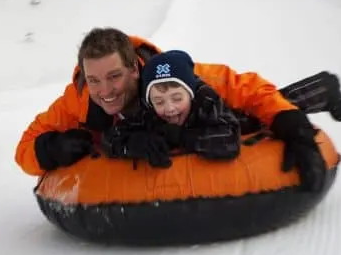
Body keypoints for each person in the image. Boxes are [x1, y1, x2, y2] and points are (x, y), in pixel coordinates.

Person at [14, 28, 341, 193]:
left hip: (201, 119)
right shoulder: (80, 98)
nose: (105, 91)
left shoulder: (168, 80)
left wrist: (297, 131)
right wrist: (49, 149)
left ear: (134, 70)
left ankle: (318, 90)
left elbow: (250, 89)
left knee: (247, 117)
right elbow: (25, 148)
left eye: (114, 76)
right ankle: (319, 90)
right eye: (94, 79)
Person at [100, 50, 241, 168]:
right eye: (159, 101)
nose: (169, 108)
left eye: (177, 98)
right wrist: (137, 143)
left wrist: (182, 137)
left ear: (190, 94)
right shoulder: (147, 112)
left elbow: (230, 138)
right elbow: (109, 138)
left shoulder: (205, 100)